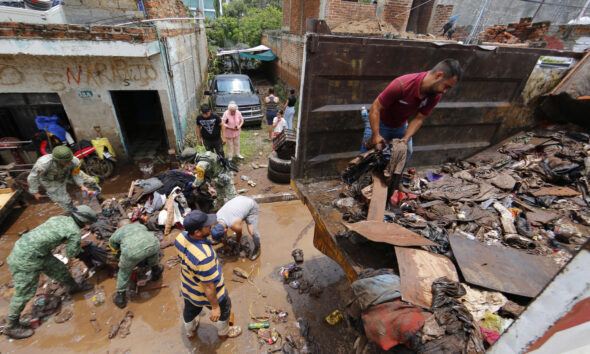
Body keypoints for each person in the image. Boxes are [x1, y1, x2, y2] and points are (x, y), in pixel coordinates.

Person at [5, 205, 97, 339]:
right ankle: (11, 326)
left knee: (59, 269)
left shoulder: (59, 218)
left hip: (32, 249)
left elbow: (52, 235)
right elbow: (71, 253)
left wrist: (71, 241)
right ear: (84, 221)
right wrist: (79, 246)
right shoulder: (74, 232)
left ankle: (73, 287)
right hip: (25, 258)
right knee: (24, 293)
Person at [360, 59, 462, 165]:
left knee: (404, 154)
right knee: (366, 158)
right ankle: (356, 180)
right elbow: (375, 108)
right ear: (438, 75)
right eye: (446, 86)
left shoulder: (435, 95)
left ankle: (391, 181)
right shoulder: (402, 85)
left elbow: (419, 118)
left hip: (401, 125)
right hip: (380, 122)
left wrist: (405, 139)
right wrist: (376, 135)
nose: (445, 91)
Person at [175, 210, 242, 339]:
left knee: (190, 310)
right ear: (197, 232)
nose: (211, 226)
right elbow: (209, 286)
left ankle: (190, 331)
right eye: (207, 226)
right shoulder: (205, 256)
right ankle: (224, 332)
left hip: (188, 288)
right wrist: (215, 307)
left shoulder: (180, 237)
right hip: (206, 294)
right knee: (224, 308)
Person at [108, 221, 164, 309]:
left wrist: (119, 258)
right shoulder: (139, 225)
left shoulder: (115, 235)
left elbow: (114, 251)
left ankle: (120, 297)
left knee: (124, 271)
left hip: (131, 252)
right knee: (153, 255)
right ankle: (156, 271)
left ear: (118, 228)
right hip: (153, 243)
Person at [27, 145, 98, 213]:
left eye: (69, 161)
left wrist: (81, 185)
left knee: (91, 181)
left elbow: (75, 173)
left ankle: (98, 198)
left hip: (67, 173)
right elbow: (32, 177)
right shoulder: (43, 164)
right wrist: (35, 192)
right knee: (65, 201)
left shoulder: (74, 161)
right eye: (65, 162)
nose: (68, 163)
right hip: (51, 180)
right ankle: (71, 214)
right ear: (57, 160)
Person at [211, 196, 261, 261]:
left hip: (251, 206)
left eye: (222, 236)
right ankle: (219, 238)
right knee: (223, 235)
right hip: (239, 201)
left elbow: (239, 234)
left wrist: (238, 243)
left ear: (225, 230)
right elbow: (223, 233)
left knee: (252, 231)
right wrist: (225, 245)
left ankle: (257, 248)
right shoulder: (216, 218)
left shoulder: (234, 225)